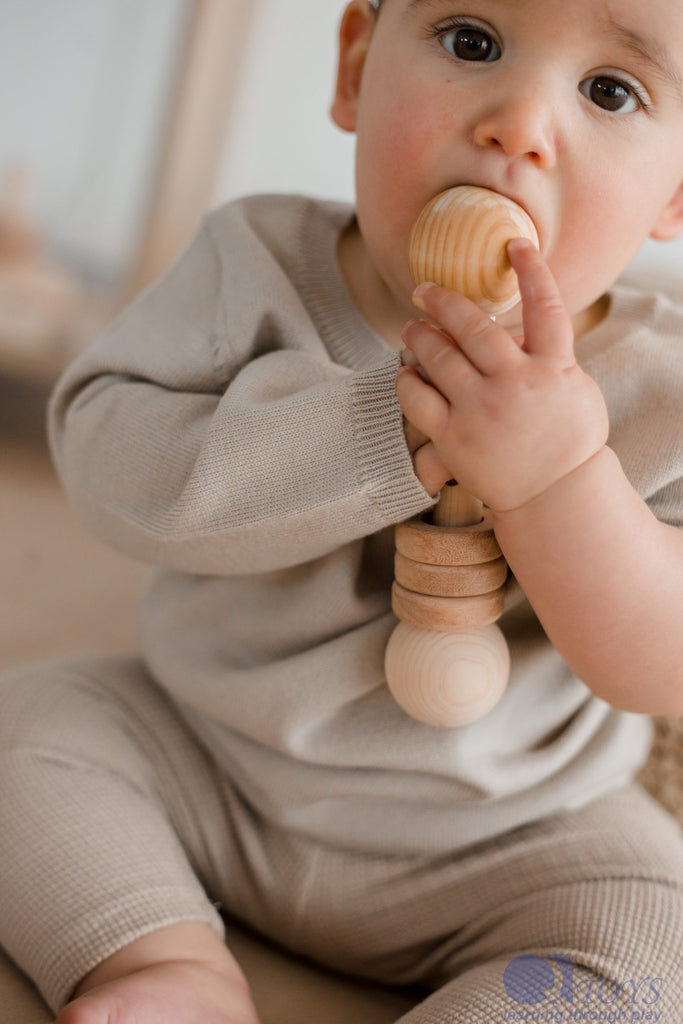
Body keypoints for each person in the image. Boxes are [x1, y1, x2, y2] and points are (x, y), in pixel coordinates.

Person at [2, 0, 683, 1020]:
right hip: (203, 756)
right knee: (27, 725)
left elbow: (656, 660)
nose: (518, 125)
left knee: (656, 952)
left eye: (608, 90)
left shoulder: (659, 383)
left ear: (675, 191)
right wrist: (386, 430)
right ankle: (157, 957)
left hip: (515, 834)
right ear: (357, 65)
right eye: (471, 41)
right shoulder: (256, 263)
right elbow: (107, 461)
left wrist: (556, 478)